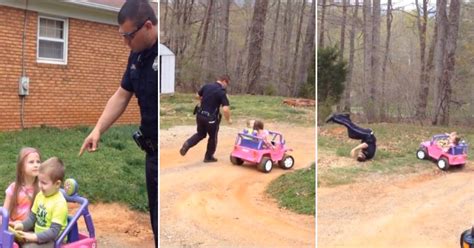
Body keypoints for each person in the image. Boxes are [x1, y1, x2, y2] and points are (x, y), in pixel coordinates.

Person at [78, 0, 158, 246]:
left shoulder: (163, 55)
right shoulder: (136, 55)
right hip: (151, 153)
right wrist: (98, 129)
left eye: (128, 36)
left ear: (147, 26)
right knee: (157, 218)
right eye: (122, 36)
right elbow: (123, 94)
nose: (125, 43)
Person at [13, 157, 68, 248]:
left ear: (57, 184)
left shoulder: (59, 203)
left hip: (53, 240)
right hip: (38, 235)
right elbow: (32, 218)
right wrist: (21, 225)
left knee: (29, 247)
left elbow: (53, 232)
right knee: (14, 238)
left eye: (44, 183)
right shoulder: (40, 196)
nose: (40, 186)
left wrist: (34, 237)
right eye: (39, 181)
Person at [180, 75, 232, 162]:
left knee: (200, 134)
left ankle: (188, 143)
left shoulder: (207, 86)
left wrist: (204, 99)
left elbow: (197, 95)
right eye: (227, 84)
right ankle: (208, 157)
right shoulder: (221, 92)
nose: (226, 86)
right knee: (213, 137)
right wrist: (228, 119)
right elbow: (225, 109)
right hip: (211, 118)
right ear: (224, 81)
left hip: (200, 115)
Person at [3, 147, 41, 224]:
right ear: (21, 167)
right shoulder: (13, 188)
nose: (36, 165)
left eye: (38, 162)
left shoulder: (42, 188)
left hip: (31, 230)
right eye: (31, 162)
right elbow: (4, 212)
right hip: (12, 228)